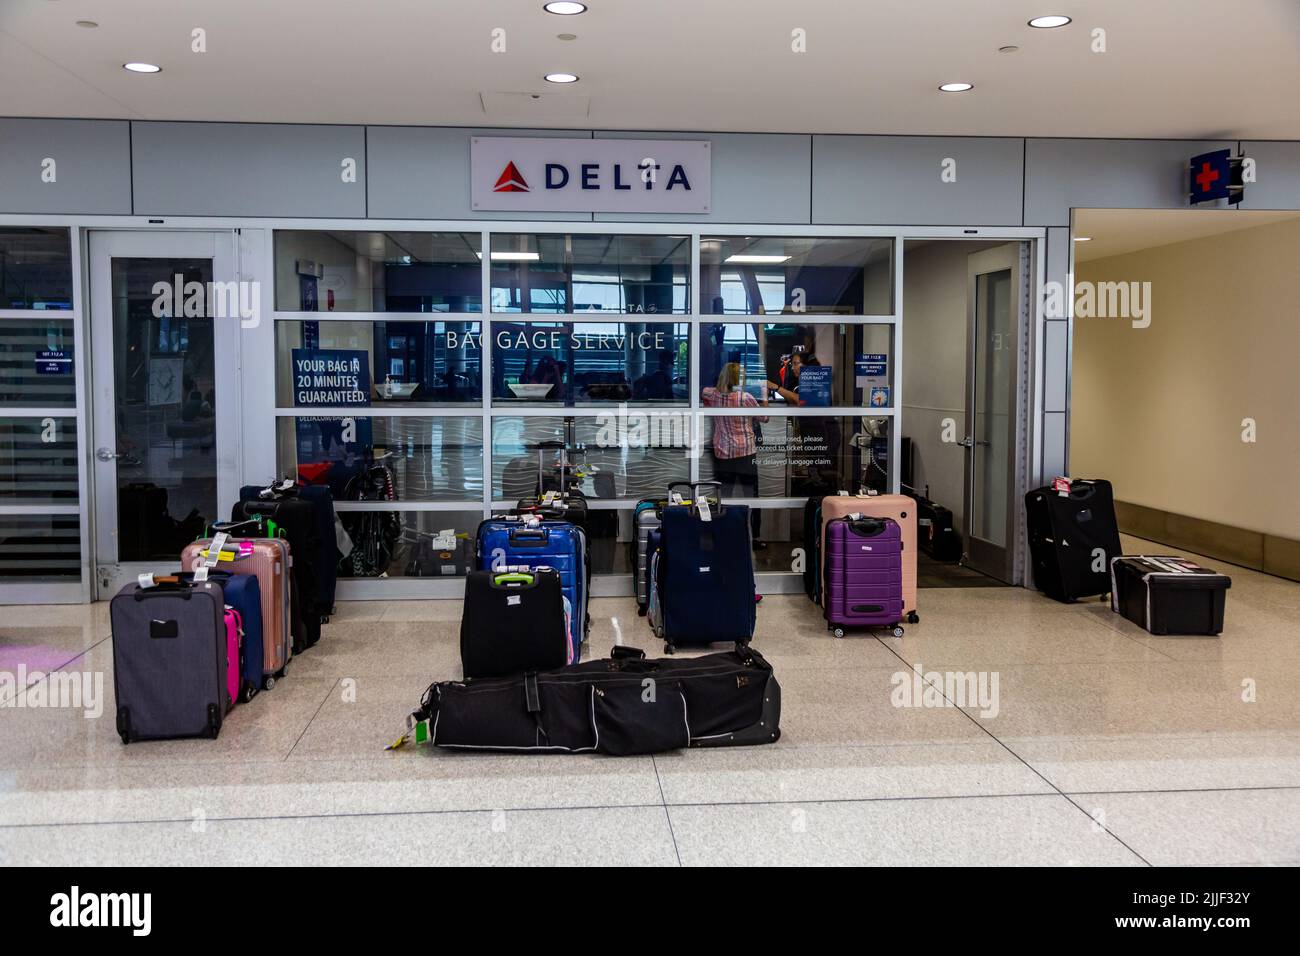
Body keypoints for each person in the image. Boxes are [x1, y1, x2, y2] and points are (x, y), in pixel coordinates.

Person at [701, 362, 767, 548]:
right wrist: (764, 398)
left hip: (723, 453)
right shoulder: (745, 398)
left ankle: (720, 535)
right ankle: (754, 537)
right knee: (751, 496)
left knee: (724, 496)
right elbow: (765, 417)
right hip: (746, 452)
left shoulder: (712, 394)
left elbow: (703, 394)